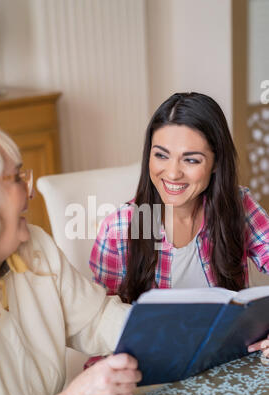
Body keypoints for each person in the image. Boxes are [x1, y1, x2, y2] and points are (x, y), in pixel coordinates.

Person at [0, 117, 141, 395]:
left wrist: (190, 331)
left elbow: (96, 319)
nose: (28, 189)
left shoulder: (34, 246)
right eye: (17, 178)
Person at [89, 91, 269, 359]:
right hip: (152, 375)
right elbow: (99, 330)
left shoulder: (238, 205)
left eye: (191, 159)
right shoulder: (120, 228)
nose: (172, 173)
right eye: (161, 155)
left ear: (216, 162)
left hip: (228, 362)